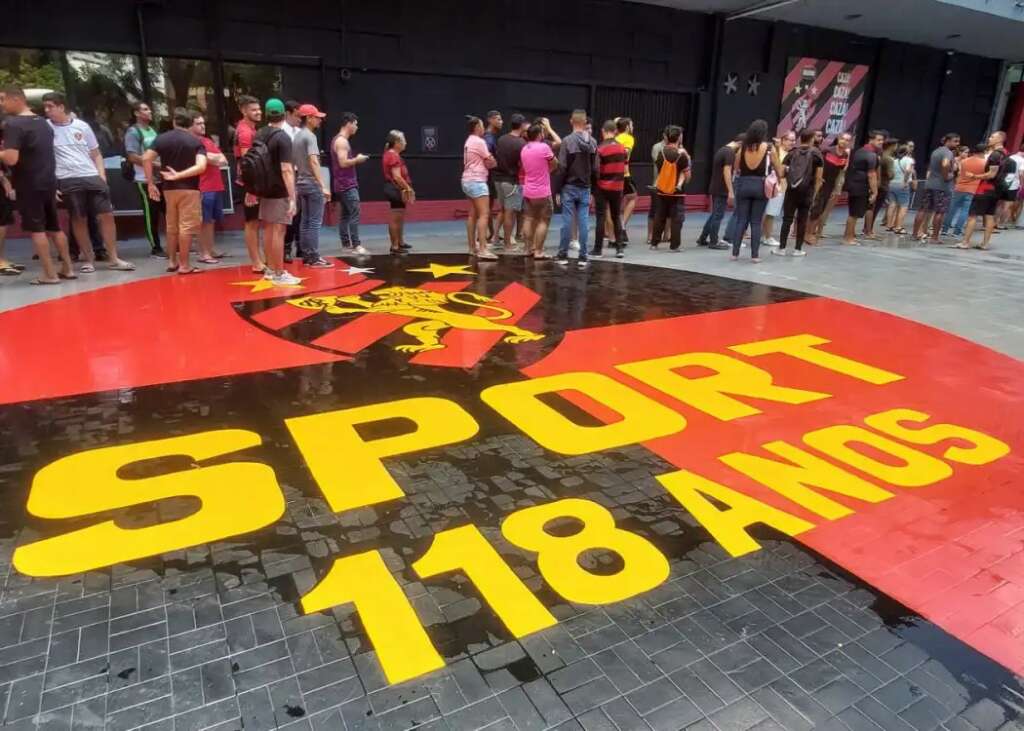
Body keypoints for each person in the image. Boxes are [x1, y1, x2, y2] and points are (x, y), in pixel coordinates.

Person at [42, 91, 134, 272]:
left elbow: (96, 153)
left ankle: (113, 258)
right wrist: (52, 184)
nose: (47, 110)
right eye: (45, 107)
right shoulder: (46, 128)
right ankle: (88, 259)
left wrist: (102, 177)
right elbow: (44, 159)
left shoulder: (82, 126)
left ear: (61, 107)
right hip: (67, 178)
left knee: (106, 215)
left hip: (91, 176)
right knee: (78, 218)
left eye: (50, 106)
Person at [0, 85, 74, 284]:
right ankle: (67, 268)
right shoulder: (43, 123)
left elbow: (11, 159)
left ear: (17, 99)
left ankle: (49, 274)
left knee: (37, 229)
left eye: (3, 99)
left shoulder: (13, 124)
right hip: (48, 181)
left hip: (29, 183)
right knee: (54, 226)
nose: (1, 104)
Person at [143, 108, 207, 274]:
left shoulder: (162, 139)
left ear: (174, 122)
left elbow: (146, 158)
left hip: (168, 189)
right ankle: (185, 264)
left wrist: (150, 183)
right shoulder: (196, 142)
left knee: (172, 226)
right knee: (186, 227)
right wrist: (179, 175)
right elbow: (201, 166)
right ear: (190, 123)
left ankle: (172, 261)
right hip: (189, 188)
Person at [731, 119, 781, 262]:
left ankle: (735, 253)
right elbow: (779, 169)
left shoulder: (743, 148)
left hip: (744, 184)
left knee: (741, 220)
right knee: (756, 221)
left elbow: (736, 167)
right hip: (761, 185)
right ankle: (755, 255)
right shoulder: (769, 148)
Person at [555, 110, 597, 269]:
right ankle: (583, 257)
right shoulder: (593, 142)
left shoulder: (567, 141)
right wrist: (592, 189)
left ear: (572, 121)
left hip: (569, 187)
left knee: (567, 220)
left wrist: (557, 189)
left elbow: (562, 167)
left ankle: (563, 255)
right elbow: (595, 169)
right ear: (585, 121)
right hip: (585, 187)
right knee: (584, 222)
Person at [773, 128, 823, 257]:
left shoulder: (791, 153)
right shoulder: (817, 155)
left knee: (787, 219)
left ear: (800, 139)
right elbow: (819, 178)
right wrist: (815, 193)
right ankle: (798, 249)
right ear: (812, 139)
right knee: (802, 220)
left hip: (791, 191)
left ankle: (782, 248)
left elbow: (781, 173)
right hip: (807, 192)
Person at [124, 101, 165, 258]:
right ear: (136, 113)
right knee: (151, 213)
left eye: (149, 109)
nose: (149, 111)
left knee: (167, 211)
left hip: (159, 178)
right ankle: (155, 247)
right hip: (144, 179)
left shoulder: (151, 130)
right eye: (145, 109)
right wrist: (155, 165)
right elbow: (132, 156)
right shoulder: (133, 132)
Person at [292, 103, 331, 268]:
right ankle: (314, 257)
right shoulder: (310, 136)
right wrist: (323, 185)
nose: (319, 121)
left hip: (300, 182)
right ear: (308, 118)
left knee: (305, 221)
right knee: (314, 221)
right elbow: (314, 161)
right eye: (317, 117)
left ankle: (306, 255)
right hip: (312, 183)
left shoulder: (297, 136)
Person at [188, 113, 228, 264]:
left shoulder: (207, 141)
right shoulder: (191, 142)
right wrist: (211, 158)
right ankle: (203, 253)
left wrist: (207, 156)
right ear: (190, 125)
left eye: (203, 123)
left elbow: (223, 160)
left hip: (215, 185)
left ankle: (210, 250)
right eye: (198, 123)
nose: (202, 126)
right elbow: (208, 159)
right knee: (203, 221)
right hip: (202, 187)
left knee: (210, 221)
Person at [233, 95, 266, 273]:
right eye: (253, 110)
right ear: (244, 111)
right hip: (249, 184)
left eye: (258, 109)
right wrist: (251, 189)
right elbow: (248, 162)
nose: (258, 112)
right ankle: (256, 261)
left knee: (255, 222)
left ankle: (259, 258)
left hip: (253, 183)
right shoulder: (245, 131)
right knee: (252, 222)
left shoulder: (250, 129)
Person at [331, 112, 370, 256]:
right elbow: (343, 162)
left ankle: (346, 245)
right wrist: (357, 160)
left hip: (341, 184)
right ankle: (356, 245)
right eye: (355, 124)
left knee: (345, 215)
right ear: (349, 123)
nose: (357, 127)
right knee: (354, 213)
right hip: (347, 184)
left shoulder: (338, 140)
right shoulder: (342, 142)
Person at [519, 122, 558, 259]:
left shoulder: (524, 149)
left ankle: (527, 249)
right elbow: (555, 163)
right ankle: (539, 251)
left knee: (528, 219)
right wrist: (548, 171)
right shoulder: (544, 147)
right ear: (539, 134)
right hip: (542, 191)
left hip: (528, 190)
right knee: (544, 220)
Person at [649, 125, 691, 253]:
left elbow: (660, 170)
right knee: (676, 218)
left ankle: (654, 243)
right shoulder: (682, 156)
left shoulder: (661, 153)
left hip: (662, 190)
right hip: (676, 192)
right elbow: (688, 176)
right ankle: (674, 245)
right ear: (678, 137)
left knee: (659, 216)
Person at [912, 132, 960, 243]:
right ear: (948, 141)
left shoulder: (936, 151)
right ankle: (934, 237)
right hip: (942, 186)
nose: (957, 144)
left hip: (930, 184)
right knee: (940, 211)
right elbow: (945, 164)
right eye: (955, 141)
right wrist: (947, 175)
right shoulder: (948, 153)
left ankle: (915, 234)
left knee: (922, 209)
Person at [462, 116, 498, 260]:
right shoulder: (479, 141)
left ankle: (472, 247)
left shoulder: (468, 141)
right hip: (477, 181)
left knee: (472, 215)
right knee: (484, 214)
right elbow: (491, 161)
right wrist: (493, 162)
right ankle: (483, 248)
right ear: (477, 127)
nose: (484, 128)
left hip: (467, 180)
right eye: (482, 125)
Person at [842, 130, 886, 246]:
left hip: (854, 184)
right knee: (854, 214)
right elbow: (872, 174)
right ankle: (848, 238)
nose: (881, 142)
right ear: (871, 140)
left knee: (854, 213)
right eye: (879, 140)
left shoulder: (859, 151)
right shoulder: (871, 155)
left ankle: (849, 235)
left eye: (882, 140)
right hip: (860, 186)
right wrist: (875, 191)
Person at [807, 131, 851, 244]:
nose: (845, 142)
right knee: (814, 209)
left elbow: (840, 172)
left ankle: (811, 233)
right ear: (838, 139)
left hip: (829, 186)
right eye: (843, 139)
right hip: (819, 183)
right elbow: (816, 166)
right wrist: (817, 181)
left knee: (820, 210)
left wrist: (835, 188)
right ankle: (807, 234)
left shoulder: (845, 155)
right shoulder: (827, 151)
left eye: (847, 140)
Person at [697, 134, 740, 250]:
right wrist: (731, 191)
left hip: (716, 186)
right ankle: (713, 241)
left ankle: (703, 237)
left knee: (715, 214)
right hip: (721, 188)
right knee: (718, 215)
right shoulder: (730, 153)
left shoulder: (722, 150)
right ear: (740, 144)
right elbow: (727, 172)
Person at [961, 140, 1005, 251]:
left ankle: (965, 242)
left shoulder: (994, 155)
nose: (990, 138)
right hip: (995, 190)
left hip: (985, 189)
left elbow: (991, 174)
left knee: (972, 215)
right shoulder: (1002, 155)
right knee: (989, 216)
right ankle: (985, 244)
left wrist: (974, 176)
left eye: (992, 137)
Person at [493, 114, 528, 255]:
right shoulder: (521, 143)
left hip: (497, 179)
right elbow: (524, 164)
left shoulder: (501, 139)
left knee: (502, 210)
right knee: (510, 213)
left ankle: (496, 239)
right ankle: (507, 244)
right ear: (521, 126)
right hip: (511, 181)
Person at [593, 120, 627, 258]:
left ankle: (598, 249)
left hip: (602, 186)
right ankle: (619, 249)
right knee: (616, 216)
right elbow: (625, 167)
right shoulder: (622, 148)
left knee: (601, 217)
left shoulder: (600, 148)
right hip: (618, 187)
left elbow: (596, 169)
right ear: (615, 132)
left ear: (603, 131)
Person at [382, 130, 415, 256]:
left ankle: (400, 242)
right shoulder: (393, 156)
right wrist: (408, 188)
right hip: (395, 189)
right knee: (395, 218)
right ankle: (394, 247)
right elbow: (397, 176)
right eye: (403, 140)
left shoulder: (391, 154)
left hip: (397, 189)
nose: (405, 143)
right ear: (396, 143)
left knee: (399, 217)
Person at [761, 130, 795, 248]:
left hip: (780, 186)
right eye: (790, 140)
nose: (793, 142)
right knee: (771, 212)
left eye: (794, 140)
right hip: (776, 186)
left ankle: (763, 235)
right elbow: (779, 169)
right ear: (783, 140)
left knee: (769, 212)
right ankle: (768, 237)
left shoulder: (788, 153)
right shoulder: (777, 152)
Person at [943, 145, 983, 240]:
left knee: (952, 208)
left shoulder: (964, 161)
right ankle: (957, 231)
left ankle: (945, 229)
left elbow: (959, 173)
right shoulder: (983, 163)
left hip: (959, 187)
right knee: (965, 210)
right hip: (972, 189)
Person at [281, 100, 302, 262]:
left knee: (300, 213)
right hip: (287, 175)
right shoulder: (282, 132)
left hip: (300, 174)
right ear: (287, 113)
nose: (299, 119)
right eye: (297, 115)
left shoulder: (298, 132)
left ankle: (299, 246)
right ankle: (286, 247)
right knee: (290, 212)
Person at [863, 138, 897, 240]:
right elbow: (891, 175)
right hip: (883, 185)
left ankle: (867, 228)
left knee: (871, 207)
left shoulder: (879, 155)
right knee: (875, 208)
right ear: (892, 146)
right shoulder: (888, 159)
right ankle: (869, 229)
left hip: (874, 184)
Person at [614, 118, 637, 243]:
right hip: (623, 174)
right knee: (633, 197)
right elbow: (625, 153)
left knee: (616, 202)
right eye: (632, 125)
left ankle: (614, 230)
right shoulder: (628, 138)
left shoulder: (615, 138)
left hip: (611, 173)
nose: (633, 127)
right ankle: (622, 227)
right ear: (627, 127)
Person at [885, 144, 916, 235]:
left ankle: (889, 225)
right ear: (907, 151)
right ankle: (898, 227)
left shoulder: (894, 160)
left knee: (892, 204)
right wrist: (905, 181)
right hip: (902, 185)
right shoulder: (909, 160)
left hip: (892, 184)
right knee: (903, 206)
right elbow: (908, 170)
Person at [483, 110, 502, 244]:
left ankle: (490, 233)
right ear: (490, 120)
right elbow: (487, 157)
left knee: (488, 206)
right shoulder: (488, 138)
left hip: (488, 177)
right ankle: (488, 234)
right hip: (487, 177)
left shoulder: (491, 136)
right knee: (486, 207)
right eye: (498, 119)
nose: (501, 122)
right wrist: (496, 165)